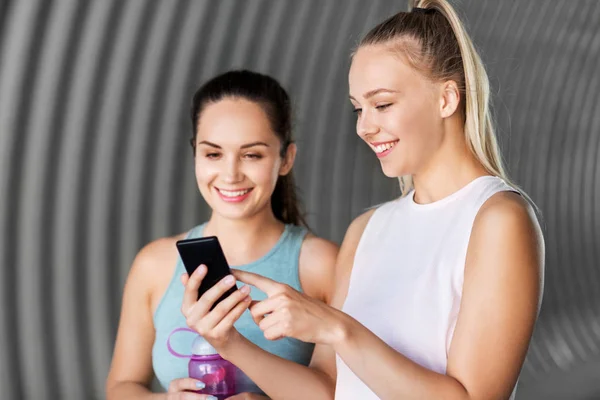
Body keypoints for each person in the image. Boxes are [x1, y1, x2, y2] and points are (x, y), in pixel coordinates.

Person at [182, 1, 545, 399]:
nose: (365, 127)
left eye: (383, 104)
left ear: (446, 99)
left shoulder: (498, 219)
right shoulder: (366, 230)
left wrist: (336, 327)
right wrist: (228, 342)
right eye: (358, 108)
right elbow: (326, 391)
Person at [105, 70, 338, 399]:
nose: (230, 175)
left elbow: (340, 392)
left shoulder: (322, 265)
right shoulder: (154, 264)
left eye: (252, 154)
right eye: (213, 154)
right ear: (196, 155)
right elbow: (120, 388)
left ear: (286, 159)